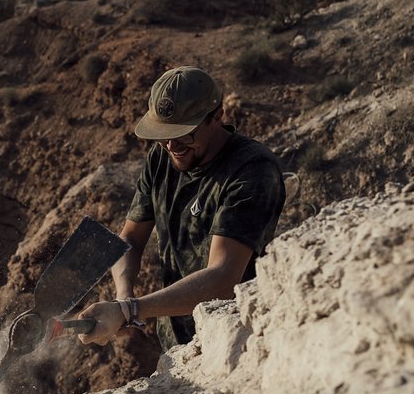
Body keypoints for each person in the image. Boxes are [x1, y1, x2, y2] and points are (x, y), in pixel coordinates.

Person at [75, 66, 285, 349]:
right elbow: (130, 240)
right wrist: (123, 298)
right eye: (163, 134)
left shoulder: (252, 172)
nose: (172, 145)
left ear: (217, 117)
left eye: (184, 133)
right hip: (175, 342)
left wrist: (130, 311)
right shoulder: (161, 159)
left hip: (234, 339)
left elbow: (223, 278)